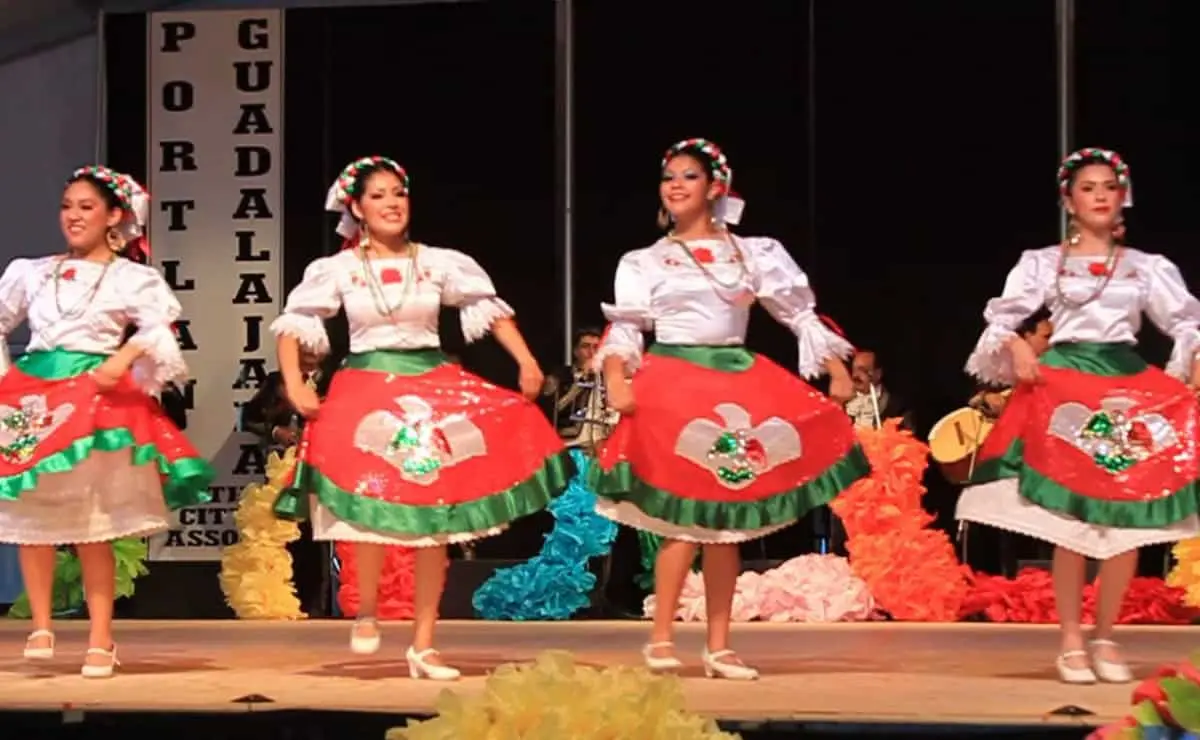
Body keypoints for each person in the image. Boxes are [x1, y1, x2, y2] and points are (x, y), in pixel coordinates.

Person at [270, 156, 568, 680]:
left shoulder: (439, 262)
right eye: (379, 195)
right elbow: (295, 323)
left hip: (432, 381)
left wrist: (525, 360)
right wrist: (295, 384)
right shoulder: (337, 269)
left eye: (398, 193)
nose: (391, 203)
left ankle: (425, 644)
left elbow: (489, 308)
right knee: (366, 497)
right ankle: (366, 609)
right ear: (357, 208)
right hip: (365, 381)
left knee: (435, 516)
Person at [592, 139, 867, 680]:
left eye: (688, 177)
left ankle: (719, 646)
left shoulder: (754, 252)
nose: (676, 186)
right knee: (682, 522)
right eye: (669, 177)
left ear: (714, 187)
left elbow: (801, 315)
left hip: (738, 382)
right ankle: (663, 637)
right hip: (672, 385)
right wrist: (616, 379)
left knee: (728, 526)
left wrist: (836, 370)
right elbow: (624, 328)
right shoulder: (645, 260)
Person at [957, 148, 1200, 684]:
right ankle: (1071, 638)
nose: (1099, 196)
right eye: (1087, 187)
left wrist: (1191, 360)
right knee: (1070, 524)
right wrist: (1018, 349)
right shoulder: (1043, 262)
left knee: (1125, 519)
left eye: (1108, 188)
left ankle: (1106, 636)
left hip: (1125, 381)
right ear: (1069, 200)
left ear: (1122, 199)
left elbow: (1186, 322)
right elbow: (1002, 317)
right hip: (1063, 383)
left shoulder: (1146, 267)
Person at [0, 166, 213, 678]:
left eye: (86, 207)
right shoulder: (32, 270)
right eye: (67, 205)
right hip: (37, 396)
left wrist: (123, 358)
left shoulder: (130, 277)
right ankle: (41, 625)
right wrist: (7, 377)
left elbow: (160, 327)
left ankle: (101, 637)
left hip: (97, 394)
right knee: (34, 514)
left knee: (94, 524)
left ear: (114, 216)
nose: (73, 216)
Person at [844, 349, 913, 430]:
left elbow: (906, 437)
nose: (855, 375)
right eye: (854, 369)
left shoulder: (898, 407)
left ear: (878, 374)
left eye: (862, 370)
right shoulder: (843, 403)